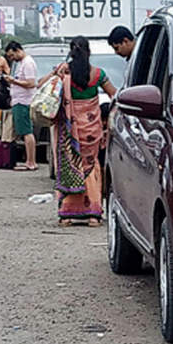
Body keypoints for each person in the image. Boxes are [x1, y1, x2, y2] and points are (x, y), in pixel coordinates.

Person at [38, 36, 118, 227]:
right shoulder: (98, 74)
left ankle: (67, 214)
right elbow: (114, 95)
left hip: (68, 130)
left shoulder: (63, 73)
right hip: (91, 130)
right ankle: (93, 214)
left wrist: (55, 72)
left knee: (69, 166)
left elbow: (40, 85)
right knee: (91, 167)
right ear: (88, 52)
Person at [3, 41, 38, 171]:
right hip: (19, 100)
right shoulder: (21, 64)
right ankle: (30, 160)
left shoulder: (28, 63)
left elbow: (30, 83)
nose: (12, 59)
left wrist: (13, 81)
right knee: (24, 132)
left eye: (12, 55)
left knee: (27, 131)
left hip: (24, 101)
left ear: (17, 50)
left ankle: (31, 162)